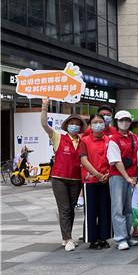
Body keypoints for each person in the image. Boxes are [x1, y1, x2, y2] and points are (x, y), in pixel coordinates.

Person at [40, 98, 86, 252]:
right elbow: (44, 125)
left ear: (80, 127)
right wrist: (44, 106)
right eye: (72, 123)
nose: (74, 126)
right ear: (67, 125)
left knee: (71, 209)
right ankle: (68, 238)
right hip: (59, 179)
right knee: (65, 208)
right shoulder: (58, 137)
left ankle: (66, 237)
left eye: (77, 124)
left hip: (76, 180)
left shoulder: (83, 141)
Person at [107, 110, 138, 250]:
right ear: (116, 122)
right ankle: (120, 238)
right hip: (118, 177)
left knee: (129, 208)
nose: (124, 123)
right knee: (118, 208)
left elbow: (137, 157)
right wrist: (127, 177)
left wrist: (136, 176)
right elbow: (116, 161)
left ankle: (127, 236)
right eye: (121, 120)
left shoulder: (134, 137)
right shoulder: (113, 139)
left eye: (127, 120)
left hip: (132, 177)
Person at [80, 114, 112, 249]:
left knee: (105, 209)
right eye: (95, 122)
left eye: (100, 122)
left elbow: (113, 158)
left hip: (107, 179)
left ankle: (104, 238)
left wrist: (108, 174)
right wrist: (97, 174)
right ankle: (93, 239)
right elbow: (83, 159)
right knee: (91, 210)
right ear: (90, 125)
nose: (98, 124)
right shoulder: (85, 140)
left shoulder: (109, 140)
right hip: (90, 180)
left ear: (104, 124)